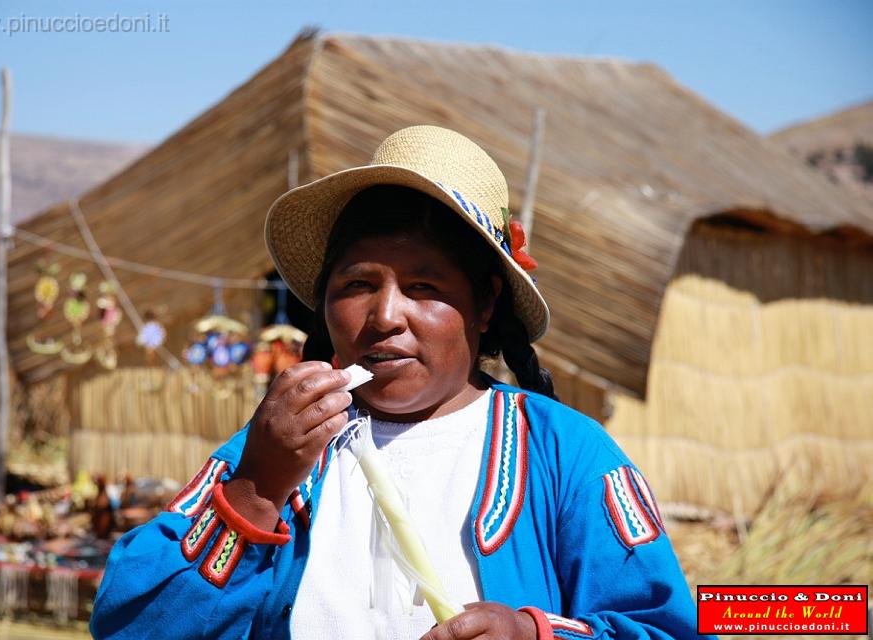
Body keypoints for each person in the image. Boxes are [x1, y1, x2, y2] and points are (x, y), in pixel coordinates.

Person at [91, 126, 712, 639]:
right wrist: (254, 493)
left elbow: (668, 628)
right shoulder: (280, 454)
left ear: (485, 304)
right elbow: (127, 624)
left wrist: (533, 633)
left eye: (425, 288)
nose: (385, 316)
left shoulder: (564, 454)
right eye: (358, 284)